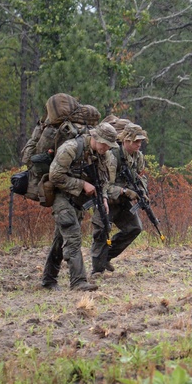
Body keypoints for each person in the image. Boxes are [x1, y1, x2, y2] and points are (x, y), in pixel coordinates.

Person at [41, 122, 119, 291]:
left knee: (60, 240)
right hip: (61, 197)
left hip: (78, 201)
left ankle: (48, 279)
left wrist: (104, 197)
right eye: (104, 143)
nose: (106, 148)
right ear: (96, 137)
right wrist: (82, 184)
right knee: (73, 236)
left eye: (109, 145)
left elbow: (104, 180)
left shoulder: (102, 155)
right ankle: (78, 281)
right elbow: (55, 176)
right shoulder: (71, 148)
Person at [91, 123, 148, 275]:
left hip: (123, 201)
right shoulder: (112, 155)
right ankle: (97, 269)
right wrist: (124, 191)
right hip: (107, 199)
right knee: (102, 230)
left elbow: (141, 177)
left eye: (140, 141)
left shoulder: (138, 157)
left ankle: (106, 257)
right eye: (136, 141)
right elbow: (105, 185)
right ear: (126, 140)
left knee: (135, 228)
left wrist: (142, 192)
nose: (139, 144)